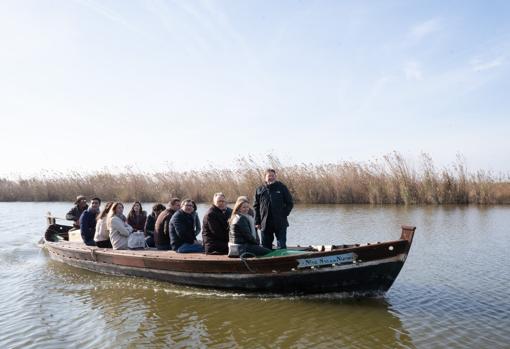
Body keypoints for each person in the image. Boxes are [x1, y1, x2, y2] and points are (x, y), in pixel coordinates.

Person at [253, 168, 294, 249]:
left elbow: (290, 203)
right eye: (269, 176)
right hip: (265, 223)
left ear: (275, 176)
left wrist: (284, 214)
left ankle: (282, 260)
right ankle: (268, 261)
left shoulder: (282, 187)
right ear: (265, 177)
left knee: (281, 246)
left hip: (280, 222)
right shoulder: (259, 189)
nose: (271, 177)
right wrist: (257, 221)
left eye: (273, 175)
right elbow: (256, 206)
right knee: (265, 247)